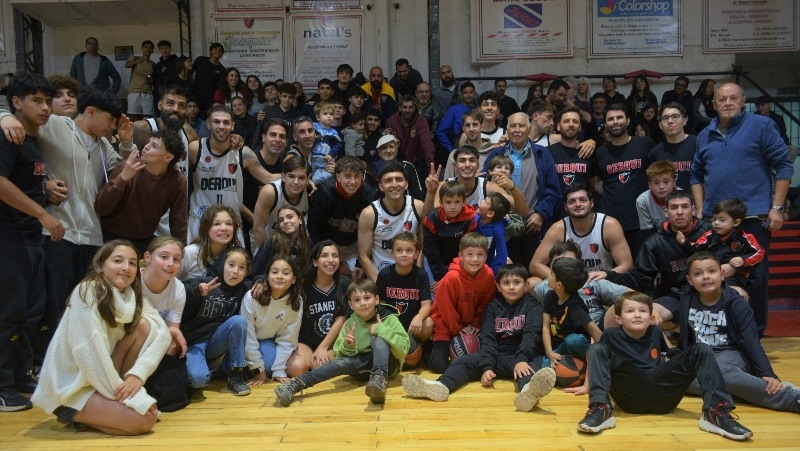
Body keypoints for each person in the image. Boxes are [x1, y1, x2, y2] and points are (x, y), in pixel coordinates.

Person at [0, 86, 125, 372]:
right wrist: (3, 114)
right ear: (91, 112)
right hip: (56, 231)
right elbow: (24, 128)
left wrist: (126, 144)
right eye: (110, 120)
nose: (112, 127)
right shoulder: (54, 126)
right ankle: (40, 367)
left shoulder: (103, 144)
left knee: (82, 308)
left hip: (91, 236)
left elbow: (122, 175)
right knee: (48, 309)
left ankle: (69, 367)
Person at [32, 240, 170, 435]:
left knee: (145, 326)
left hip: (102, 379)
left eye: (132, 263)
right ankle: (70, 413)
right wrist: (132, 398)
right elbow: (90, 356)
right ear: (101, 265)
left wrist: (138, 376)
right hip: (72, 386)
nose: (126, 267)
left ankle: (102, 408)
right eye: (118, 260)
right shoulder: (87, 291)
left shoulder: (130, 295)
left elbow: (163, 333)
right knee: (145, 420)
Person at [576, 291, 753, 441]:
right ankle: (600, 409)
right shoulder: (611, 335)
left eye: (643, 311)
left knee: (701, 349)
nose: (637, 314)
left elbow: (670, 354)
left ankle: (716, 412)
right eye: (630, 311)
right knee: (596, 348)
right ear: (619, 319)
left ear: (651, 316)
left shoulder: (655, 332)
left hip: (663, 397)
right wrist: (587, 385)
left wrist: (681, 358)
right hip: (630, 395)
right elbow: (598, 359)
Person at [691, 82, 793, 337]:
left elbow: (783, 166)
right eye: (722, 100)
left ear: (742, 101)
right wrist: (702, 209)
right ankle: (722, 332)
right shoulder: (705, 134)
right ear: (713, 105)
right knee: (716, 275)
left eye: (733, 98)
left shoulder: (761, 126)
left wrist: (777, 207)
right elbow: (695, 175)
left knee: (755, 278)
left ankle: (754, 335)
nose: (727, 103)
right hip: (714, 222)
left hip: (753, 218)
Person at [403, 264, 558, 411]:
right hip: (498, 356)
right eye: (506, 283)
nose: (511, 287)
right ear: (498, 287)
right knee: (462, 361)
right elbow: (488, 338)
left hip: (523, 357)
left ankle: (528, 393)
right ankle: (441, 386)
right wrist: (487, 367)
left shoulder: (533, 306)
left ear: (525, 286)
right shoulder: (492, 307)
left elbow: (531, 335)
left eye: (517, 282)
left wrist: (522, 359)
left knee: (529, 371)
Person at [0, 73, 62, 411]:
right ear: (16, 102)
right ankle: (2, 385)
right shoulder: (8, 134)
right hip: (8, 236)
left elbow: (23, 182)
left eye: (47, 101)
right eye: (37, 100)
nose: (46, 107)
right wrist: (43, 213)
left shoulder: (31, 141)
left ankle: (20, 374)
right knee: (8, 314)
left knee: (28, 313)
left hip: (29, 238)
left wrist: (45, 191)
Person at [675, 253, 800, 413]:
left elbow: (750, 339)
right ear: (690, 280)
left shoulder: (736, 302)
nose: (705, 277)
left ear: (722, 274)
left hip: (730, 353)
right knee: (680, 380)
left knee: (721, 375)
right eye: (698, 274)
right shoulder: (687, 297)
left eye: (711, 271)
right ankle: (746, 389)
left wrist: (767, 373)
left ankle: (792, 398)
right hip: (700, 355)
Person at [274, 279, 410, 406]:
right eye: (357, 300)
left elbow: (404, 349)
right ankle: (298, 383)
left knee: (379, 338)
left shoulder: (389, 318)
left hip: (387, 366)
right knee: (342, 363)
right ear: (350, 304)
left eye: (367, 298)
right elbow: (339, 355)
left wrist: (383, 330)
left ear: (376, 299)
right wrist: (348, 346)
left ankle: (379, 380)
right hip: (362, 367)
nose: (363, 303)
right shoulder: (350, 323)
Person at [603, 191, 708, 319]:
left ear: (693, 210)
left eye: (685, 207)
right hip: (676, 296)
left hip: (712, 290)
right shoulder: (655, 242)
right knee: (642, 317)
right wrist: (608, 275)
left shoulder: (710, 231)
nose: (679, 212)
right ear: (666, 212)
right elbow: (639, 278)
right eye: (674, 207)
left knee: (737, 294)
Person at [482, 112, 562, 267]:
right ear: (507, 129)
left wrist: (541, 213)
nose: (517, 129)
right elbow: (483, 187)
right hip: (502, 228)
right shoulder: (496, 154)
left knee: (532, 272)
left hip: (533, 227)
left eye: (521, 125)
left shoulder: (542, 154)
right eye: (512, 126)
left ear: (529, 128)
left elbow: (553, 190)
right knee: (504, 274)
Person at [186, 104, 276, 242]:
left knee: (234, 263)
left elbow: (268, 177)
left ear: (232, 126)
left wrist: (304, 178)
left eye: (226, 122)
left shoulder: (243, 152)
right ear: (208, 124)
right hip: (200, 221)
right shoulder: (195, 149)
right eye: (216, 122)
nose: (221, 126)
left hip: (231, 223)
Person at [96, 129, 188, 252]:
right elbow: (101, 207)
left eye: (154, 146)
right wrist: (122, 179)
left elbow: (179, 223)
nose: (146, 147)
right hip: (109, 236)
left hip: (143, 239)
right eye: (149, 143)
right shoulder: (128, 166)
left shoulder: (177, 180)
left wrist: (180, 253)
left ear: (168, 157)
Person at [181, 246, 251, 396]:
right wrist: (196, 291)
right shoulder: (206, 282)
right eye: (231, 265)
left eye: (241, 268)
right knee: (198, 380)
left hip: (216, 340)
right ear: (222, 264)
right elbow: (180, 290)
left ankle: (235, 377)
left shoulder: (243, 288)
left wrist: (260, 282)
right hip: (194, 342)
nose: (235, 271)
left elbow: (260, 278)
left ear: (246, 273)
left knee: (238, 322)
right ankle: (211, 367)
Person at [531, 184, 632, 280]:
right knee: (533, 283)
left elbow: (627, 265)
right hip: (569, 286)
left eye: (583, 200)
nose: (578, 204)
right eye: (572, 201)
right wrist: (561, 279)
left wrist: (606, 274)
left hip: (601, 282)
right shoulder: (558, 228)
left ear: (591, 203)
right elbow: (535, 265)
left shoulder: (609, 225)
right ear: (565, 207)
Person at [594, 103, 656, 257]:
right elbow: (595, 183)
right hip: (612, 222)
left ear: (628, 120)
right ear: (605, 124)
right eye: (611, 119)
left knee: (644, 268)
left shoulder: (645, 144)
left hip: (643, 221)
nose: (615, 121)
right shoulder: (601, 153)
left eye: (619, 117)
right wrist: (615, 194)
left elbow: (657, 175)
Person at [428, 233, 496, 373]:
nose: (475, 259)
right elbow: (446, 310)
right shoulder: (451, 278)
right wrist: (457, 329)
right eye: (469, 254)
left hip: (470, 325)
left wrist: (475, 324)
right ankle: (427, 349)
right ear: (461, 256)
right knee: (439, 367)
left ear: (486, 256)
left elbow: (485, 304)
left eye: (480, 254)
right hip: (447, 325)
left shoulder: (488, 276)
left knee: (482, 360)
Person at [533, 241, 631, 331]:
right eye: (557, 263)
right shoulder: (541, 288)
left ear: (578, 265)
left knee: (625, 302)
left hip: (598, 327)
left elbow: (632, 295)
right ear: (550, 266)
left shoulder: (592, 281)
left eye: (568, 262)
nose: (563, 267)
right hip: (565, 335)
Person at [677, 199, 764, 298]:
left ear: (736, 222)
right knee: (689, 292)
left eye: (722, 220)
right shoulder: (709, 235)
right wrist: (684, 243)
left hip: (734, 278)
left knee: (733, 295)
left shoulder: (746, 237)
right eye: (714, 219)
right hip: (710, 275)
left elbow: (759, 252)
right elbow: (696, 247)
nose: (716, 223)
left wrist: (743, 260)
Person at [285, 241, 349, 376]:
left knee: (318, 366)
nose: (331, 260)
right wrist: (260, 283)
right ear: (315, 262)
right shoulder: (303, 285)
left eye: (335, 256)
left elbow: (341, 319)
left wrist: (323, 348)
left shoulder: (344, 283)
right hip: (306, 341)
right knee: (295, 368)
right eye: (324, 256)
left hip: (332, 343)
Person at [306, 156, 377, 272]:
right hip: (327, 243)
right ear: (338, 177)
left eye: (357, 176)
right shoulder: (325, 193)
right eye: (348, 176)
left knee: (361, 274)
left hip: (354, 245)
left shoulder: (369, 195)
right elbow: (313, 227)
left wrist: (360, 262)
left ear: (362, 177)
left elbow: (373, 232)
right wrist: (320, 252)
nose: (353, 182)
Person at [358, 161, 425, 281]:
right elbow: (363, 256)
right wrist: (380, 284)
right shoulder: (370, 213)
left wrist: (418, 278)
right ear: (381, 186)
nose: (394, 184)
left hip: (411, 275)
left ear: (406, 184)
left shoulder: (418, 207)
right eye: (388, 181)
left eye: (399, 179)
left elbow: (422, 247)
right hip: (380, 275)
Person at [241, 255, 302, 386]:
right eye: (274, 272)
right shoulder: (252, 297)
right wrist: (258, 370)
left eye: (286, 273)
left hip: (268, 342)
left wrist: (279, 371)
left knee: (270, 368)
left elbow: (288, 339)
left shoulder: (297, 301)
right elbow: (248, 337)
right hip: (247, 343)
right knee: (263, 368)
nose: (280, 276)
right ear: (267, 277)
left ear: (293, 279)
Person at [376, 232, 433, 366]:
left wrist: (419, 317)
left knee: (428, 322)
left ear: (417, 254)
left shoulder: (421, 275)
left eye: (409, 251)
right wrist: (390, 325)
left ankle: (420, 349)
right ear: (392, 254)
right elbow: (381, 305)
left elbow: (426, 305)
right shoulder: (384, 275)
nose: (404, 254)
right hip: (392, 322)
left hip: (413, 324)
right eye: (399, 250)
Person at [542, 257, 602, 375]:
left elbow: (598, 335)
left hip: (575, 347)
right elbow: (545, 327)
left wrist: (598, 360)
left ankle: (588, 368)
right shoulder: (550, 296)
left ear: (559, 284)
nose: (548, 275)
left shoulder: (575, 306)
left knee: (573, 340)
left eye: (551, 274)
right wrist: (549, 353)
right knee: (542, 366)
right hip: (558, 349)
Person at [140, 237, 187, 358]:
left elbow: (172, 333)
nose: (170, 264)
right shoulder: (132, 280)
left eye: (176, 259)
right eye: (164, 257)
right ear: (148, 257)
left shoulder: (179, 288)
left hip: (157, 345)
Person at [251, 155, 310, 249]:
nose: (296, 182)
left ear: (307, 179)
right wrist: (268, 257)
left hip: (293, 245)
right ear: (283, 176)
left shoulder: (310, 192)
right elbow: (258, 229)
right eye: (291, 176)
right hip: (265, 243)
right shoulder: (270, 192)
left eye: (301, 178)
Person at [423, 180, 477, 280]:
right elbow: (431, 250)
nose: (453, 207)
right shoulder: (432, 219)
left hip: (459, 260)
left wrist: (456, 270)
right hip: (435, 260)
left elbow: (468, 248)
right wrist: (440, 276)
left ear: (464, 202)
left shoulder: (470, 219)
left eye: (457, 202)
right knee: (435, 289)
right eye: (448, 202)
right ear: (441, 203)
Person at [248, 205, 312, 285]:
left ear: (300, 220)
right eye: (281, 220)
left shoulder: (307, 242)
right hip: (273, 287)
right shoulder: (272, 241)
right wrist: (260, 283)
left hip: (298, 289)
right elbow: (254, 273)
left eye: (290, 217)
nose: (285, 221)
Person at [179, 204, 242, 281]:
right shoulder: (190, 252)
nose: (224, 228)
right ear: (206, 228)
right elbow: (170, 281)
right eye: (217, 224)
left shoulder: (235, 254)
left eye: (229, 224)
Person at [547, 106, 599, 195]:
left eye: (575, 121)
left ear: (580, 127)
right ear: (558, 126)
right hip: (555, 207)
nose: (571, 124)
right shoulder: (547, 152)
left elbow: (594, 185)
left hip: (581, 206)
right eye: (566, 121)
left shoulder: (588, 151)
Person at [384, 95, 435, 184]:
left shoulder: (421, 120)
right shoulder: (391, 121)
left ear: (414, 108)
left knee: (420, 190)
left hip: (416, 162)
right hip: (397, 163)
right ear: (400, 108)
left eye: (410, 107)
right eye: (404, 107)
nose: (407, 110)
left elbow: (426, 143)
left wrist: (430, 166)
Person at [648, 103, 696, 191]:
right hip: (667, 203)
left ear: (684, 120)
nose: (670, 121)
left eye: (675, 116)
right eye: (665, 118)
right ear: (660, 125)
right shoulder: (655, 153)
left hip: (695, 203)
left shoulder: (698, 144)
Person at [364, 134, 423, 200]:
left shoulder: (408, 167)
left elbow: (417, 195)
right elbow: (367, 197)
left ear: (396, 150)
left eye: (391, 147)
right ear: (379, 152)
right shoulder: (370, 170)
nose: (388, 151)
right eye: (384, 147)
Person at [636, 160, 678, 241]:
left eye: (666, 182)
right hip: (657, 240)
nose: (661, 187)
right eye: (656, 183)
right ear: (650, 185)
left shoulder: (683, 198)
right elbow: (648, 234)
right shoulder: (643, 201)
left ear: (674, 183)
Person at [475, 192, 510, 275]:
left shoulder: (498, 231)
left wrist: (493, 273)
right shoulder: (475, 219)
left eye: (485, 201)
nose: (481, 201)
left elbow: (501, 255)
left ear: (490, 213)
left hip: (487, 268)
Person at [436, 82, 476, 153]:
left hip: (475, 149)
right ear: (461, 95)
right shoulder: (453, 110)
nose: (468, 95)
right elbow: (441, 132)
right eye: (465, 93)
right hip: (457, 147)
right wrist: (451, 149)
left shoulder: (477, 110)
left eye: (471, 92)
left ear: (474, 94)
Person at [310, 101, 342, 185]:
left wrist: (331, 154)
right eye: (325, 114)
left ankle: (313, 182)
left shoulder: (334, 132)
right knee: (310, 173)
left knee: (329, 174)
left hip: (326, 160)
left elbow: (338, 145)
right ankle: (312, 182)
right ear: (318, 117)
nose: (329, 116)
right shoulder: (313, 126)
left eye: (331, 114)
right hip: (313, 158)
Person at [124, 40, 155, 121]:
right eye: (146, 47)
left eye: (150, 48)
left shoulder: (153, 64)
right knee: (133, 118)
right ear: (142, 49)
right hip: (134, 93)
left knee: (148, 119)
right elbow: (126, 65)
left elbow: (152, 82)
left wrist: (151, 80)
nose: (148, 49)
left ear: (152, 50)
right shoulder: (135, 58)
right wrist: (138, 61)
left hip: (147, 94)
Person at [192, 43, 226, 116]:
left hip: (210, 101)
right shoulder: (200, 60)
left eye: (220, 51)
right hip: (196, 97)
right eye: (215, 49)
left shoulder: (222, 70)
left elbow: (220, 87)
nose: (218, 52)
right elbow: (189, 71)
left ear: (222, 54)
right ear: (210, 51)